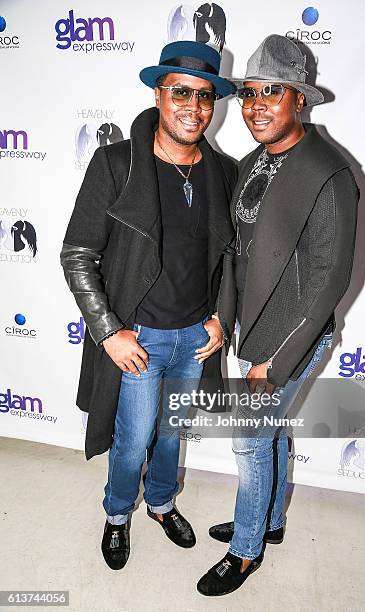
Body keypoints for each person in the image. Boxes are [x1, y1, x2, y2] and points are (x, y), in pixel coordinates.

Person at [60, 40, 236, 571]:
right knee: (132, 439)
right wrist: (108, 330)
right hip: (139, 338)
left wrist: (221, 317)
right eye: (180, 92)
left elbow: (229, 255)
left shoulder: (221, 171)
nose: (194, 106)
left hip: (194, 340)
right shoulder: (116, 164)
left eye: (204, 96)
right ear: (158, 94)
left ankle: (160, 503)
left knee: (170, 434)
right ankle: (118, 515)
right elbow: (77, 253)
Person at [197, 34, 359, 596]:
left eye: (273, 92)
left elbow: (327, 282)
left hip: (292, 337)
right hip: (251, 330)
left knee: (248, 439)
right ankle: (270, 520)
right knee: (267, 436)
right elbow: (234, 254)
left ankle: (246, 551)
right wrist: (224, 318)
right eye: (247, 94)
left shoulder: (329, 173)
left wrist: (274, 360)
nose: (255, 105)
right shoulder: (249, 163)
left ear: (300, 100)